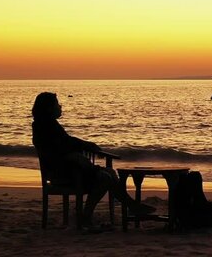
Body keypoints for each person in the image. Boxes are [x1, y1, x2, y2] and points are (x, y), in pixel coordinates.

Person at [31, 92, 155, 231]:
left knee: (110, 172)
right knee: (105, 178)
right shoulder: (45, 127)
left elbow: (68, 142)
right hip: (65, 173)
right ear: (49, 108)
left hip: (69, 170)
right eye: (57, 104)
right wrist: (82, 150)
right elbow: (60, 149)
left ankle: (131, 206)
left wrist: (86, 146)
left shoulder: (48, 125)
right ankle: (88, 216)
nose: (60, 107)